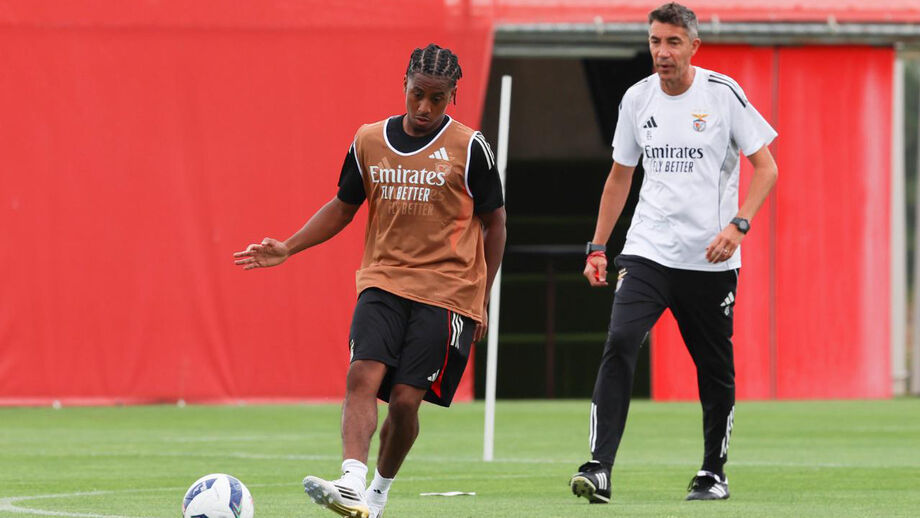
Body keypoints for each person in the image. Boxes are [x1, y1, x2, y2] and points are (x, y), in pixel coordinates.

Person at [234, 43, 506, 518]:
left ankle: (377, 493)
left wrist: (482, 297)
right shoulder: (369, 140)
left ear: (452, 97)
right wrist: (288, 247)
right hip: (382, 280)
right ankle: (351, 481)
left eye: (437, 99)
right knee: (362, 375)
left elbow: (495, 222)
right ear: (404, 84)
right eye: (417, 93)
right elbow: (343, 205)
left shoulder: (470, 147)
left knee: (404, 403)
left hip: (447, 292)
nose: (424, 107)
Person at [569, 2, 778, 504]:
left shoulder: (723, 94)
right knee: (620, 340)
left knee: (713, 367)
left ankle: (712, 471)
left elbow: (766, 167)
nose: (662, 53)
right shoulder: (637, 99)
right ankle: (599, 468)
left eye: (673, 43)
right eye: (655, 42)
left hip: (710, 259)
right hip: (647, 251)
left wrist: (738, 225)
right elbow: (620, 177)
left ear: (693, 46)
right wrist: (599, 246)